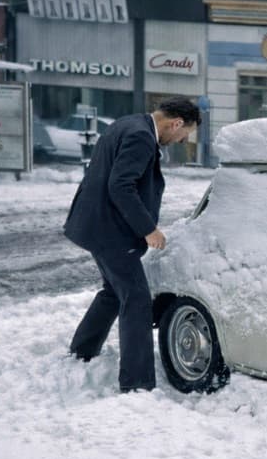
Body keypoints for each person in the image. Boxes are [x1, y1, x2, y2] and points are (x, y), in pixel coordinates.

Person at [64, 97, 200, 393]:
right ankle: (136, 384)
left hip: (95, 225)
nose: (181, 139)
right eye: (184, 134)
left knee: (114, 291)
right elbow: (120, 185)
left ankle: (82, 350)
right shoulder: (141, 136)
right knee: (137, 298)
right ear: (175, 123)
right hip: (111, 231)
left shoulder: (129, 123)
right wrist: (148, 229)